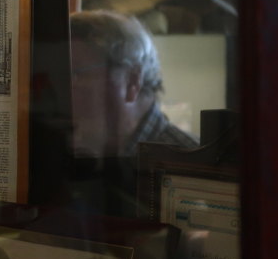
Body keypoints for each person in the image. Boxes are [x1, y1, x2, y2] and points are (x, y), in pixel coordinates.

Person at [70, 10, 198, 159]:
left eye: (74, 75)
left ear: (132, 82)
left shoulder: (194, 167)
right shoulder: (85, 159)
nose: (56, 92)